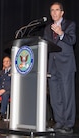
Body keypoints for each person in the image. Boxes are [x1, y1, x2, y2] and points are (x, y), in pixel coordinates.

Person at [44, 2, 76, 134]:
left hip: (66, 65)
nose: (54, 12)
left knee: (67, 95)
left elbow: (72, 40)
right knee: (55, 96)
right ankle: (59, 121)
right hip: (52, 66)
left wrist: (61, 33)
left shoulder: (70, 24)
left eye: (57, 10)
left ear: (62, 12)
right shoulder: (47, 29)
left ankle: (68, 123)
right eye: (52, 10)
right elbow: (45, 47)